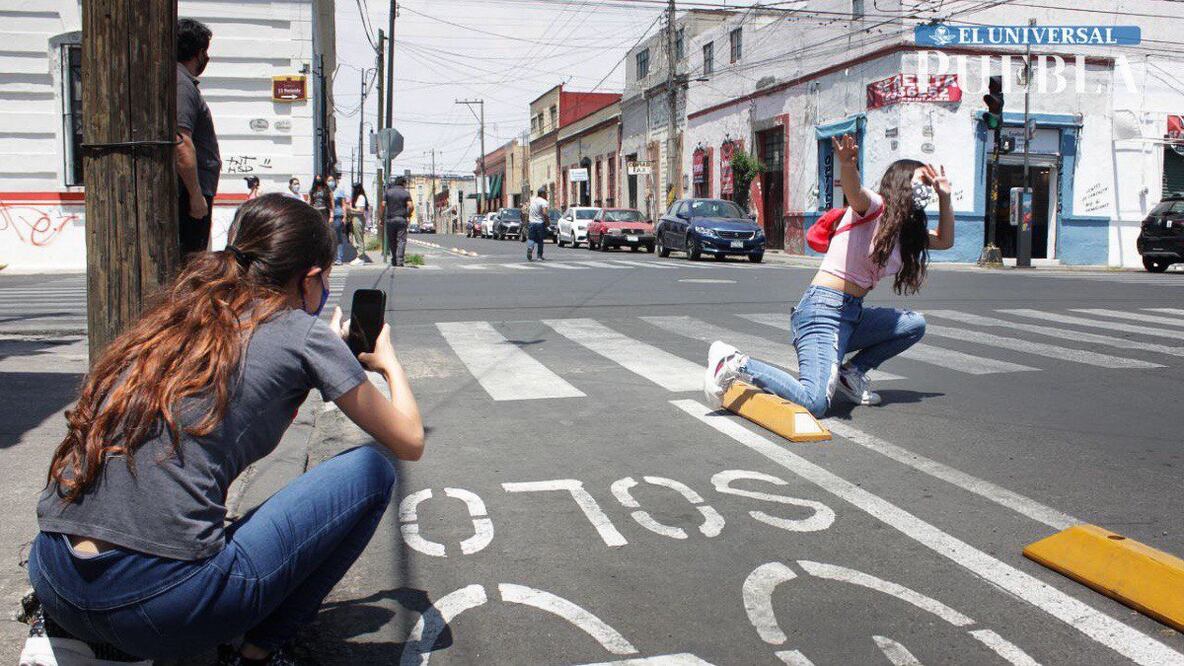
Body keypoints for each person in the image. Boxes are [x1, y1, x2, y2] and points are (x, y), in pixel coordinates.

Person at [21, 194, 424, 666]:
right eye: (326, 279)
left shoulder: (177, 318)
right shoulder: (302, 333)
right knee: (373, 471)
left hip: (53, 574)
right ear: (311, 279)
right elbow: (409, 440)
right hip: (158, 605)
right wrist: (388, 362)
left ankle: (81, 636)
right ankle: (254, 653)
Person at [705, 134, 954, 417]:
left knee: (913, 324)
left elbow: (945, 241)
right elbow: (855, 191)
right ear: (902, 182)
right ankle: (734, 363)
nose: (927, 189)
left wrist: (945, 198)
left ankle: (852, 374)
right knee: (815, 402)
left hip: (851, 314)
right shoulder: (874, 208)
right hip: (823, 311)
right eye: (922, 181)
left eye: (930, 185)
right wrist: (847, 165)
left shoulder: (904, 233)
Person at [175, 18, 221, 256]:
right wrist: (195, 195)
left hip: (195, 190)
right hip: (189, 194)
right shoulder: (182, 86)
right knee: (191, 263)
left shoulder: (184, 83)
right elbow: (182, 143)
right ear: (199, 52)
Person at [383, 176, 414, 267]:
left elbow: (383, 205)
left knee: (392, 240)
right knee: (401, 240)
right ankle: (399, 260)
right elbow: (411, 206)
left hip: (390, 219)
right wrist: (408, 214)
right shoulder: (406, 193)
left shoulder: (388, 192)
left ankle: (394, 259)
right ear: (403, 183)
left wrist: (381, 217)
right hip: (401, 219)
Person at [328, 174, 349, 265]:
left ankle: (339, 258)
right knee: (329, 238)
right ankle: (330, 258)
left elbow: (344, 204)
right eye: (329, 180)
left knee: (338, 237)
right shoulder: (325, 191)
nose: (330, 182)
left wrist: (344, 216)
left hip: (337, 216)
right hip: (327, 216)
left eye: (332, 180)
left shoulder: (339, 191)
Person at [526, 187, 549, 262]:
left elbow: (527, 211)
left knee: (531, 238)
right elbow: (545, 213)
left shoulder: (533, 201)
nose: (546, 195)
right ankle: (539, 256)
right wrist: (547, 222)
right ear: (542, 194)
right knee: (540, 240)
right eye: (545, 193)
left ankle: (530, 248)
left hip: (531, 222)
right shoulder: (543, 202)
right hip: (540, 223)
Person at [349, 183, 370, 266]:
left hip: (358, 219)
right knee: (357, 238)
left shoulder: (361, 197)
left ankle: (361, 257)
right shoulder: (357, 198)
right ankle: (359, 256)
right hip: (355, 218)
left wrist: (350, 208)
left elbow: (361, 210)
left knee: (359, 238)